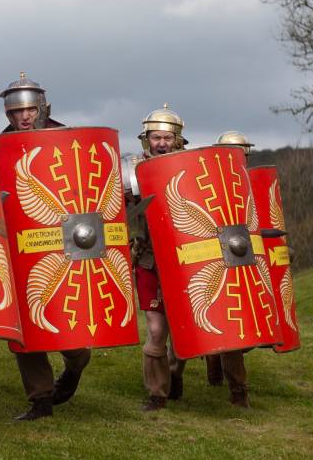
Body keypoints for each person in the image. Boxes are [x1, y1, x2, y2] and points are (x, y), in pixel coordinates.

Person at [0, 73, 90, 421]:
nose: (24, 117)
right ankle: (41, 399)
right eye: (16, 112)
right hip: (20, 246)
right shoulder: (0, 146)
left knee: (67, 325)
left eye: (30, 109)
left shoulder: (67, 140)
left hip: (65, 244)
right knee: (24, 325)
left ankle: (76, 362)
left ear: (42, 107)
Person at [130, 104, 195, 411]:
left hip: (184, 260)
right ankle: (157, 394)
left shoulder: (190, 169)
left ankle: (174, 371)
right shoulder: (133, 170)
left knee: (182, 326)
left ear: (177, 140)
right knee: (156, 330)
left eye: (167, 138)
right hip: (148, 261)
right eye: (156, 137)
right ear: (147, 139)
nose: (161, 143)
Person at [199, 130, 254, 399]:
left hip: (249, 260)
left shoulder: (252, 182)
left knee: (246, 327)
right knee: (230, 324)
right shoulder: (210, 184)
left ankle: (220, 367)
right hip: (219, 258)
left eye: (242, 153)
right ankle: (237, 388)